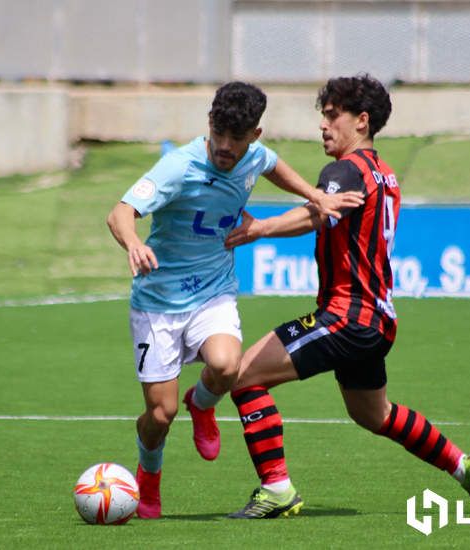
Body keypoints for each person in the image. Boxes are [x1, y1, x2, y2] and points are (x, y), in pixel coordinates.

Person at [221, 74, 470, 519]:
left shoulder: (343, 170)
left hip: (346, 316)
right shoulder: (384, 172)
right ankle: (467, 470)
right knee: (375, 415)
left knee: (241, 376)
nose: (324, 126)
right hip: (376, 319)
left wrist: (259, 229)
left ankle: (276, 489)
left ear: (362, 121)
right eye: (324, 117)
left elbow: (320, 211)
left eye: (333, 116)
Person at [106, 81, 362, 519]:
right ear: (210, 124)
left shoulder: (255, 155)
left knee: (227, 364)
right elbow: (120, 212)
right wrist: (132, 242)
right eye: (218, 134)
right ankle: (148, 477)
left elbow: (275, 166)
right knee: (160, 415)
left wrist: (313, 195)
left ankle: (202, 403)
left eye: (236, 139)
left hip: (213, 291)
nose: (225, 147)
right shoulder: (178, 166)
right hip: (158, 302)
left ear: (254, 136)